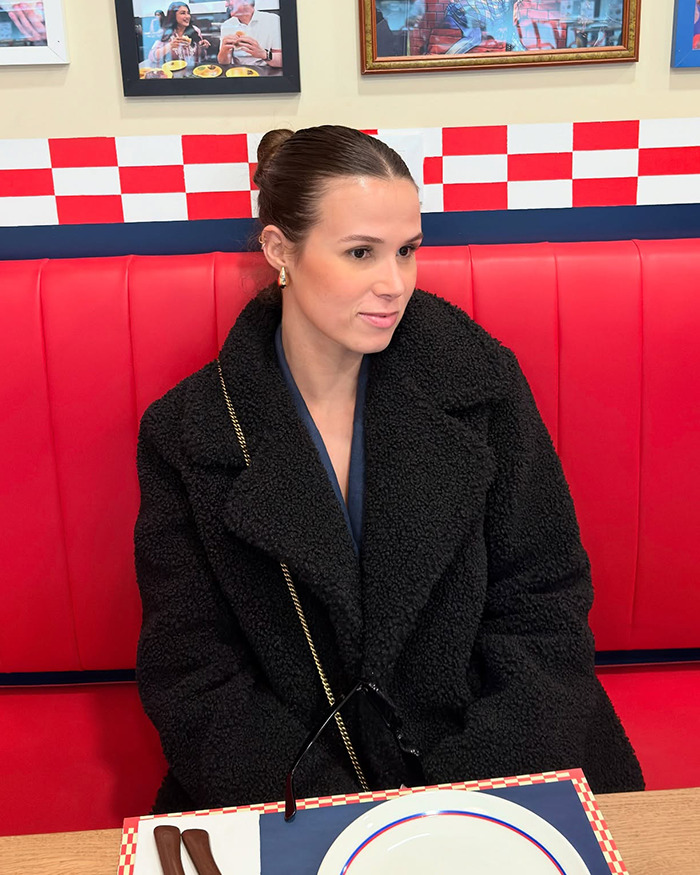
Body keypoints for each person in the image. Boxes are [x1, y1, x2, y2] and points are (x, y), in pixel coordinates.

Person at [134, 125, 644, 815]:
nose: (394, 283)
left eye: (407, 250)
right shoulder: (191, 434)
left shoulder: (481, 383)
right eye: (360, 253)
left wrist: (463, 803)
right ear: (280, 249)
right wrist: (334, 814)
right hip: (293, 787)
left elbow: (545, 602)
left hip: (503, 760)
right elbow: (194, 672)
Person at [217, 0, 282, 68]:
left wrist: (264, 54)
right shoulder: (227, 25)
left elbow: (281, 61)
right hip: (237, 72)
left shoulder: (273, 20)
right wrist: (224, 51)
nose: (226, 5)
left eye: (228, 0)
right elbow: (223, 63)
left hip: (265, 72)